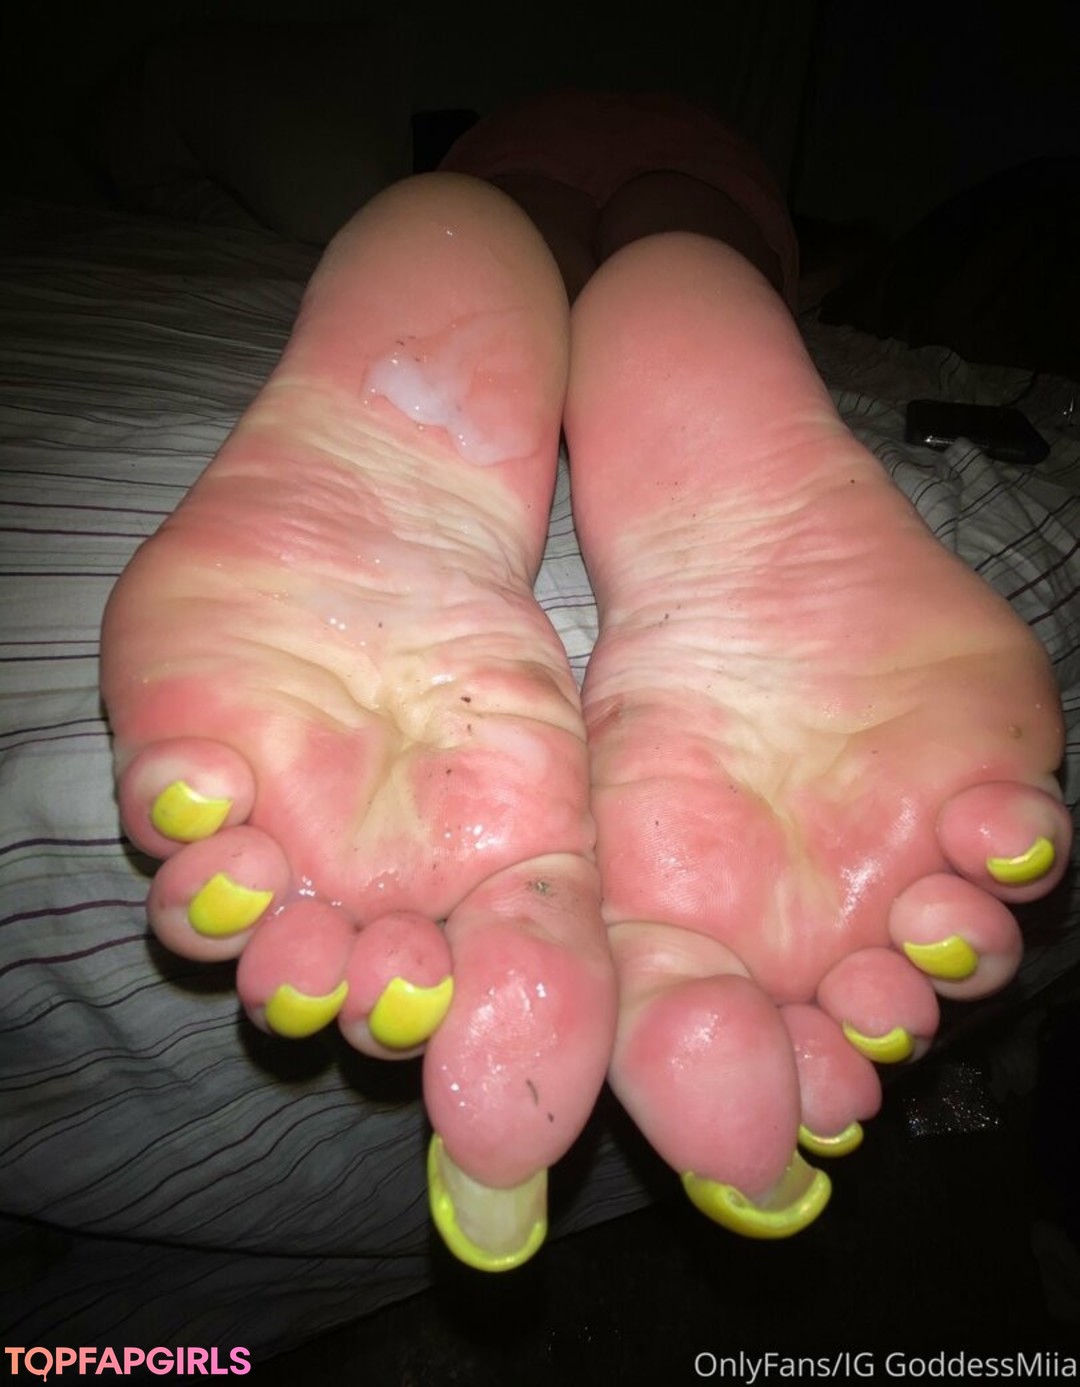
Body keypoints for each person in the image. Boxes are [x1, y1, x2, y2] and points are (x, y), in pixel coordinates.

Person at [99, 90, 1071, 1272]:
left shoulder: (505, 119)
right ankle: (696, 294)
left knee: (519, 216)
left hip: (512, 142)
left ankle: (493, 255)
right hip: (714, 153)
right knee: (689, 230)